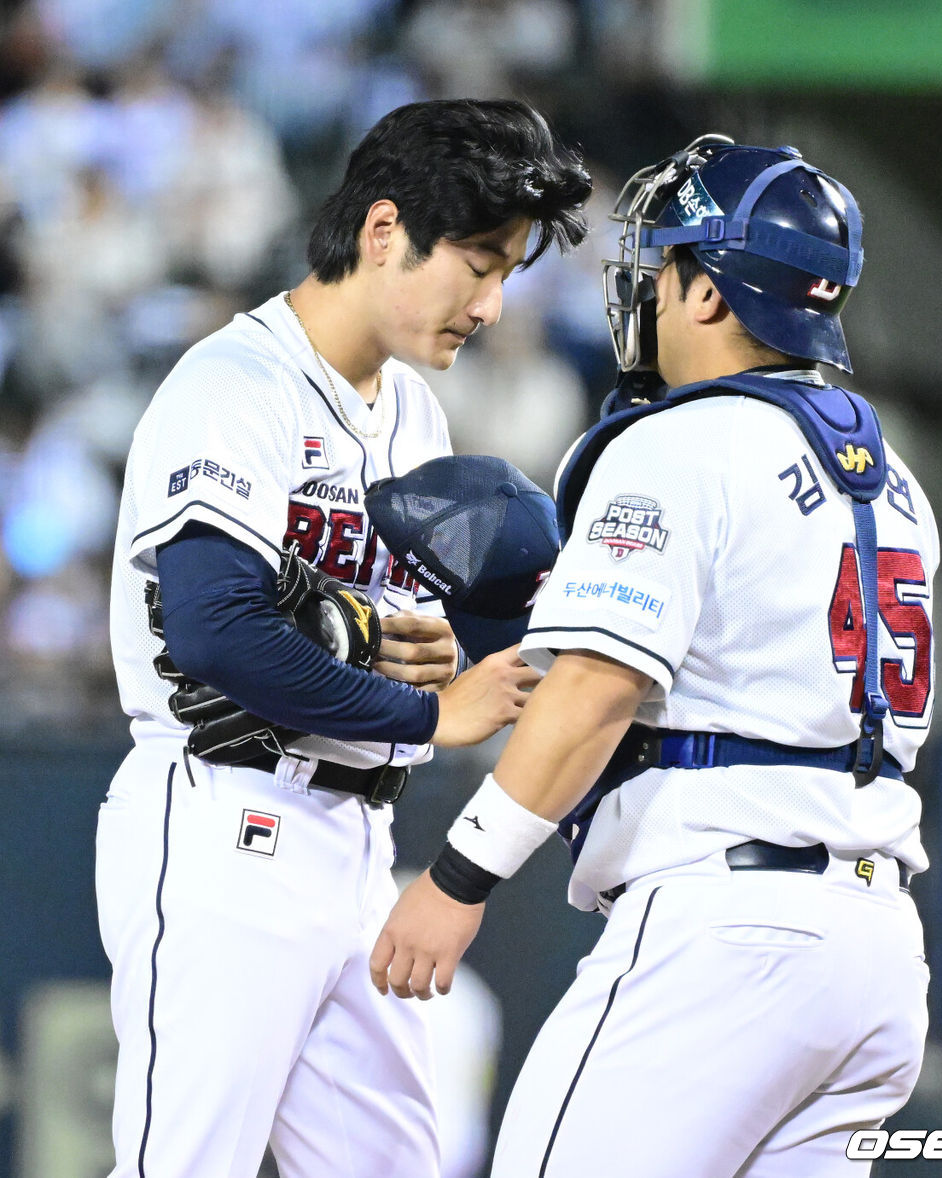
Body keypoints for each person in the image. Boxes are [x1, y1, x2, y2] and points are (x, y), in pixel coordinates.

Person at [371, 135, 938, 1178]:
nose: (646, 289)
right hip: (876, 946)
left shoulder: (679, 440)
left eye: (667, 263)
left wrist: (456, 877)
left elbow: (596, 690)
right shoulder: (893, 474)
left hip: (726, 930)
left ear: (713, 294)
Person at [99, 97, 591, 1178]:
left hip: (356, 840)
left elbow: (418, 642)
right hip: (226, 817)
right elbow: (213, 629)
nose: (494, 305)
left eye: (506, 272)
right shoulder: (233, 386)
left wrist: (478, 635)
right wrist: (427, 709)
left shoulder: (412, 412)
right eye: (477, 262)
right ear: (383, 232)